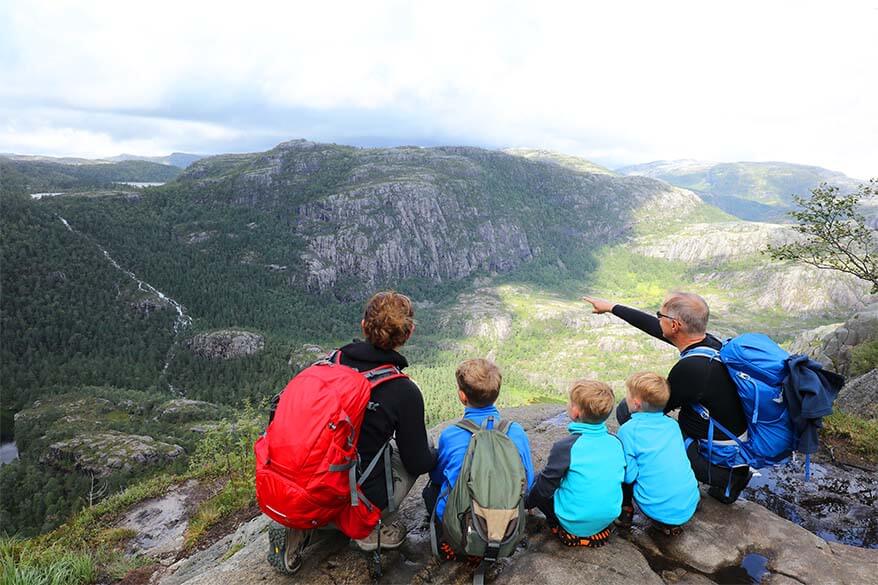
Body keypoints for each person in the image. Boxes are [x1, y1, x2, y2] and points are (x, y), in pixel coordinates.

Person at [582, 292, 752, 503]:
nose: (657, 319)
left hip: (715, 456)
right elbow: (655, 327)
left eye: (660, 315)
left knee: (629, 410)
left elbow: (655, 408)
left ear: (675, 326)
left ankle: (717, 478)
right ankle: (728, 476)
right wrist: (612, 307)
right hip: (735, 447)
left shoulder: (691, 369)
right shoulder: (710, 345)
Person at [337, 291, 438, 551]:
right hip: (352, 500)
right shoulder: (403, 391)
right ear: (409, 333)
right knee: (420, 444)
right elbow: (418, 461)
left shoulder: (333, 362)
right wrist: (439, 452)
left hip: (309, 485)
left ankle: (303, 527)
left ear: (363, 325)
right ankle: (367, 530)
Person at [423, 358, 534, 558]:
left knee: (430, 491)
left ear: (462, 396)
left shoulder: (451, 434)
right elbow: (529, 480)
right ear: (496, 394)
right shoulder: (516, 432)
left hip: (461, 530)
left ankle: (448, 539)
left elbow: (439, 477)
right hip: (508, 527)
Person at [525, 379, 625, 548]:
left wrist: (526, 503)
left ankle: (559, 527)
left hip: (572, 520)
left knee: (540, 481)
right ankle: (594, 527)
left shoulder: (565, 447)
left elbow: (544, 489)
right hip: (608, 516)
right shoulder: (616, 442)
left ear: (576, 412)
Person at [616, 371, 699, 535]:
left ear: (637, 403)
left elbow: (629, 477)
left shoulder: (628, 430)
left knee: (620, 464)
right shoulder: (673, 425)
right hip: (689, 504)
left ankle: (625, 511)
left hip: (657, 510)